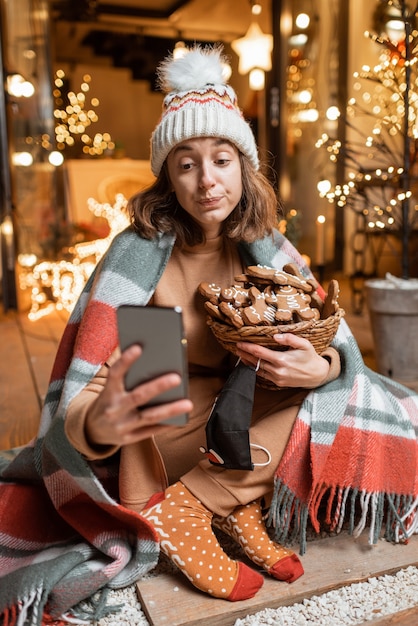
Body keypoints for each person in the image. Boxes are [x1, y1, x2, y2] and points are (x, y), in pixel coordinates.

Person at [1, 44, 417, 624]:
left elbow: (339, 352)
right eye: (186, 162)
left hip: (236, 425)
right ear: (168, 175)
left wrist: (320, 370)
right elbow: (95, 394)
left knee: (342, 396)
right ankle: (202, 504)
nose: (206, 181)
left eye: (222, 160)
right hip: (159, 436)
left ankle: (215, 503)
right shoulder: (140, 262)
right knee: (155, 363)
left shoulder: (266, 248)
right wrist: (100, 423)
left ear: (242, 166)